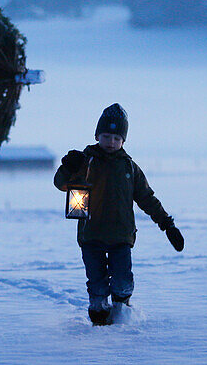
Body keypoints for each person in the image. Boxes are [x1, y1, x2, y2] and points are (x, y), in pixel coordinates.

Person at [54, 103, 184, 326]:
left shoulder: (129, 168)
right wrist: (67, 167)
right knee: (97, 284)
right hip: (91, 235)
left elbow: (147, 198)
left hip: (121, 236)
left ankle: (123, 311)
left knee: (123, 281)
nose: (111, 142)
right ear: (97, 135)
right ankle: (99, 317)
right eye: (106, 136)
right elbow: (61, 184)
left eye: (116, 138)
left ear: (123, 140)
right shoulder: (85, 161)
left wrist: (167, 224)